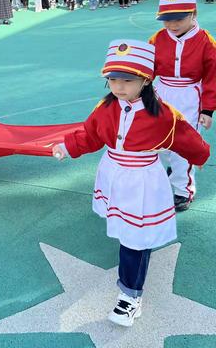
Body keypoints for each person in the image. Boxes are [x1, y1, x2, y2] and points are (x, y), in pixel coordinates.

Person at [52, 39, 210, 327]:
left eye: (127, 79)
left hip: (143, 181)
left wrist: (200, 155)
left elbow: (189, 140)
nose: (119, 86)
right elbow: (90, 135)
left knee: (135, 237)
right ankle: (134, 271)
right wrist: (67, 146)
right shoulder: (105, 107)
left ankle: (130, 295)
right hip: (113, 174)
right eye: (113, 79)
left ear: (146, 79)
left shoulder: (163, 115)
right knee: (130, 231)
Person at [149, 0, 216, 211]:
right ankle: (165, 176)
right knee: (158, 143)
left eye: (179, 18)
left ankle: (182, 191)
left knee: (183, 146)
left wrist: (207, 110)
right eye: (167, 19)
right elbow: (147, 69)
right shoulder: (158, 38)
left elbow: (212, 77)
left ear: (193, 14)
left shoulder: (206, 41)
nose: (172, 24)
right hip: (162, 94)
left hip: (190, 97)